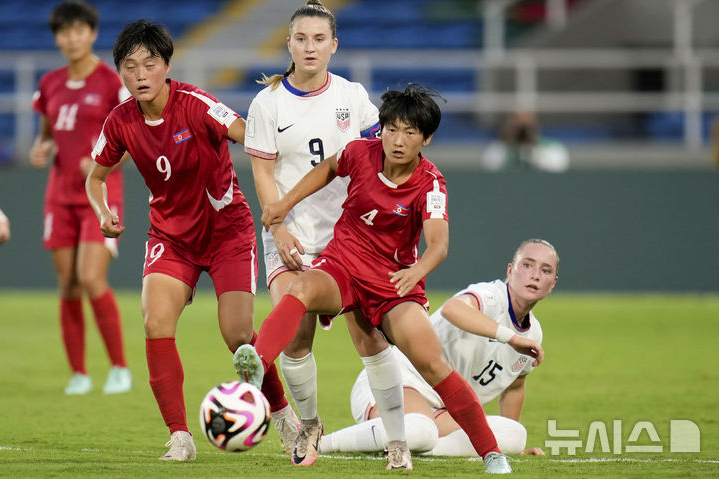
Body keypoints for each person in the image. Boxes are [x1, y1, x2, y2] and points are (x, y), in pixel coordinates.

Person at [234, 84, 517, 473]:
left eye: (410, 133)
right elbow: (329, 167)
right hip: (344, 266)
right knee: (299, 288)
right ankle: (255, 365)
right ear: (380, 129)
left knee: (432, 364)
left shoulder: (431, 183)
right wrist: (285, 203)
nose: (398, 141)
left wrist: (416, 271)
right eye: (391, 129)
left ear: (426, 138)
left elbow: (438, 244)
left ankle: (490, 452)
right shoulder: (359, 153)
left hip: (393, 283)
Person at [86, 19, 295, 461]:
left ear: (166, 66)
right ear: (120, 72)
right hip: (171, 237)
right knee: (154, 323)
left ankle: (281, 414)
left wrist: (277, 135)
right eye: (130, 66)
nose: (140, 74)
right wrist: (104, 212)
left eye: (149, 63)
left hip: (226, 233)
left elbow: (244, 132)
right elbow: (96, 178)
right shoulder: (120, 121)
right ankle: (180, 437)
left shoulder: (196, 103)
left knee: (238, 336)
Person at [242, 0, 380, 461]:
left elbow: (380, 159)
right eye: (301, 38)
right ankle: (310, 426)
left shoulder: (353, 97)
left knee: (371, 336)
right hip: (292, 233)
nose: (310, 47)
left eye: (319, 38)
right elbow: (263, 173)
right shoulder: (267, 103)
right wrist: (277, 227)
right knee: (297, 336)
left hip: (349, 238)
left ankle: (396, 435)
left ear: (334, 45)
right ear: (289, 44)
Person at [318, 239, 558, 457]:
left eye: (545, 270)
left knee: (514, 434)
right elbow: (454, 309)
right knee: (420, 430)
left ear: (552, 283)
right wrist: (511, 338)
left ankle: (422, 448)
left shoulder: (534, 332)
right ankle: (324, 443)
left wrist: (511, 449)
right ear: (510, 270)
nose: (535, 275)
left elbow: (515, 386)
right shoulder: (492, 296)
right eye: (527, 265)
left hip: (442, 409)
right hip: (396, 382)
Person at [29, 1, 131, 396]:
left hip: (100, 197)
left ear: (92, 33)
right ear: (57, 38)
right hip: (59, 196)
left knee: (91, 277)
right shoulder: (50, 83)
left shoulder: (110, 83)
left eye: (79, 30)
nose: (71, 38)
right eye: (64, 32)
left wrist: (105, 163)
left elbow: (130, 139)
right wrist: (41, 148)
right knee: (68, 283)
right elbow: (48, 132)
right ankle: (79, 373)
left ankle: (119, 368)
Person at [481, 111, 569, 172]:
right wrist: (512, 148)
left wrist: (531, 150)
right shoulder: (497, 149)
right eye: (517, 126)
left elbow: (557, 169)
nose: (522, 133)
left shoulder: (554, 148)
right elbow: (491, 169)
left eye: (527, 127)